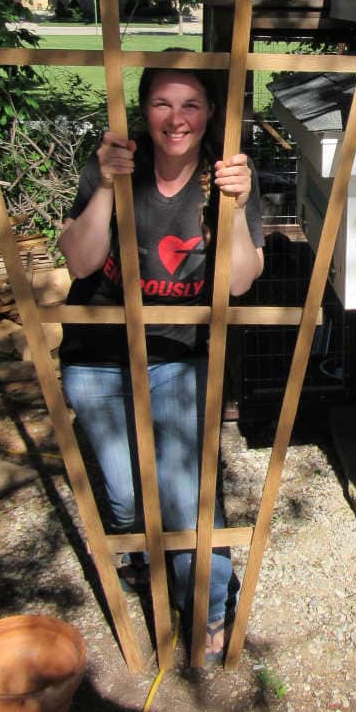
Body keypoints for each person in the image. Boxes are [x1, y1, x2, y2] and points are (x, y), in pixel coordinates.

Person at [58, 62, 264, 657]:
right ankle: (143, 562)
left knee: (185, 491)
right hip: (97, 356)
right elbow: (78, 263)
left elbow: (243, 282)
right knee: (124, 497)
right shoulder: (117, 168)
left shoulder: (225, 178)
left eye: (192, 105)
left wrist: (237, 207)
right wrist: (103, 187)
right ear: (143, 110)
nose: (177, 119)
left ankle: (207, 604)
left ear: (210, 115)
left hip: (177, 353)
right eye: (163, 104)